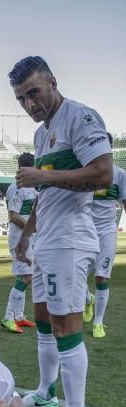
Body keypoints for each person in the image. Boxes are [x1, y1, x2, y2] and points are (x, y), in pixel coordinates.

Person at [9, 55, 112, 407]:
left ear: (52, 82)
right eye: (21, 98)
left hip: (70, 239)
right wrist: (26, 235)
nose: (29, 104)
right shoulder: (42, 134)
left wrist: (40, 175)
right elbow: (46, 194)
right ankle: (47, 392)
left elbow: (102, 174)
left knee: (67, 325)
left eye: (33, 93)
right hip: (47, 238)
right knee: (42, 318)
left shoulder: (81, 117)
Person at [83, 133, 126, 338]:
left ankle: (98, 322)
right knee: (77, 276)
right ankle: (87, 300)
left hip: (107, 230)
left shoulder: (119, 174)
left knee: (102, 277)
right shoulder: (84, 173)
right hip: (84, 230)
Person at [1, 153, 37, 334]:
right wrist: (33, 228)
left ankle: (19, 316)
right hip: (19, 238)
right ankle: (8, 317)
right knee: (26, 277)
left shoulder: (31, 187)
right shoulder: (16, 186)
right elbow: (13, 216)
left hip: (29, 237)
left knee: (26, 276)